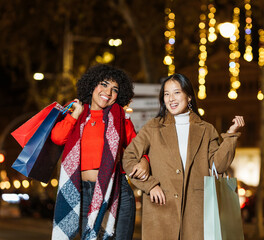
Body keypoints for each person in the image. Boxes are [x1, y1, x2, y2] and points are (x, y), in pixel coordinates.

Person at [122, 73, 245, 240]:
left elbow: (218, 166)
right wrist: (150, 185)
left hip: (197, 213)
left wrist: (230, 136)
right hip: (160, 209)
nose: (171, 98)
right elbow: (128, 158)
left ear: (188, 97)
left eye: (177, 92)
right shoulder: (153, 127)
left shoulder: (206, 129)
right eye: (166, 94)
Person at [50, 64, 149, 239]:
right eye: (104, 84)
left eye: (115, 89)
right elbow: (58, 137)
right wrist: (75, 114)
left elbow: (138, 149)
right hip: (81, 192)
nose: (108, 92)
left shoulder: (121, 119)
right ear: (92, 85)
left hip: (116, 193)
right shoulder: (77, 116)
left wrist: (144, 161)